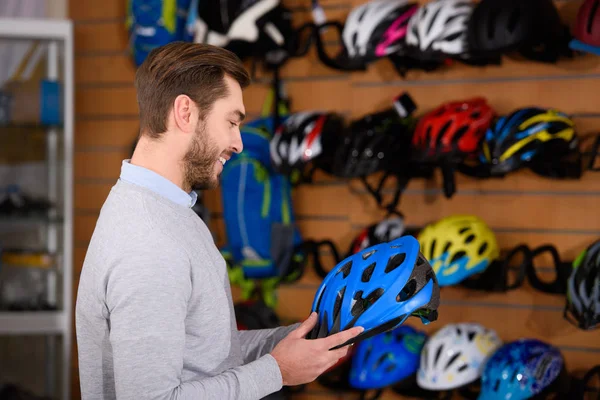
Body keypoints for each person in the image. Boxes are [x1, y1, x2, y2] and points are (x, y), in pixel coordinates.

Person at [74, 41, 363, 400]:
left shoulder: (171, 211)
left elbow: (203, 350)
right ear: (185, 112)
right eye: (231, 122)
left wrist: (289, 343)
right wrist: (277, 372)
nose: (238, 143)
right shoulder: (147, 241)